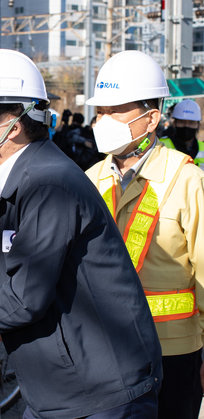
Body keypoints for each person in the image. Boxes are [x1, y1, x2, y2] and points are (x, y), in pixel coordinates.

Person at [0, 49, 162, 418]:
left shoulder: (48, 184)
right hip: (59, 390)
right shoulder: (13, 182)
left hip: (102, 393)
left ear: (11, 124)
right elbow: (1, 271)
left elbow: (24, 299)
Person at [84, 50, 204, 419]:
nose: (101, 121)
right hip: (107, 351)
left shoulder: (187, 180)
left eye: (113, 111)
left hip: (175, 353)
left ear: (151, 118)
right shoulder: (89, 180)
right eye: (99, 111)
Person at [159, 99, 204, 167]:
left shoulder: (202, 147)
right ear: (174, 123)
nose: (186, 125)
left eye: (191, 122)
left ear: (198, 125)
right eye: (182, 122)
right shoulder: (161, 146)